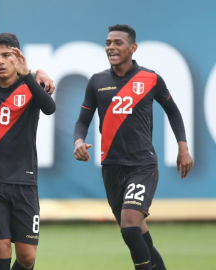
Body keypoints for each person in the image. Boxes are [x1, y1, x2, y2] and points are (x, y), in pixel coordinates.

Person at [73, 24, 193, 270]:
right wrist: (77, 140)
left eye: (118, 43)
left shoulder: (150, 79)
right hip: (111, 167)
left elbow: (173, 112)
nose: (111, 47)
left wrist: (183, 146)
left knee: (129, 226)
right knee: (137, 231)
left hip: (142, 164)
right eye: (108, 43)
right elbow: (83, 120)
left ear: (132, 48)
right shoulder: (97, 81)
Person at [0, 33, 55, 270]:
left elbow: (49, 108)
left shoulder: (30, 87)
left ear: (18, 56)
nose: (0, 61)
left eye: (6, 55)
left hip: (24, 182)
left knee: (27, 257)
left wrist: (31, 73)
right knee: (1, 249)